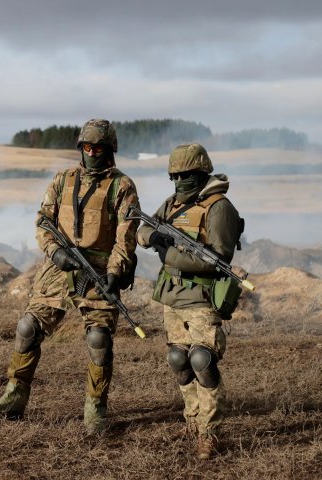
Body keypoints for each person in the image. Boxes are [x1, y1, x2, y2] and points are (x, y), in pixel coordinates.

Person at [0, 119, 140, 434]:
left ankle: (95, 407)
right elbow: (43, 221)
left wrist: (115, 271)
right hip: (59, 267)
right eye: (86, 146)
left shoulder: (122, 186)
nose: (92, 152)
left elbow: (126, 235)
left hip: (97, 272)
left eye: (98, 147)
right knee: (27, 328)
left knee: (99, 339)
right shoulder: (63, 179)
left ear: (109, 150)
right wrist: (55, 253)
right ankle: (14, 396)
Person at [137, 143, 242, 459]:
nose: (180, 180)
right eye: (176, 175)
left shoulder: (219, 207)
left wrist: (168, 253)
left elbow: (217, 260)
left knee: (202, 360)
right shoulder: (171, 205)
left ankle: (209, 433)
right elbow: (142, 229)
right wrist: (153, 238)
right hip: (173, 297)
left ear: (201, 172)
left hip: (202, 297)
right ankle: (192, 421)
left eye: (187, 175)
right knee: (178, 360)